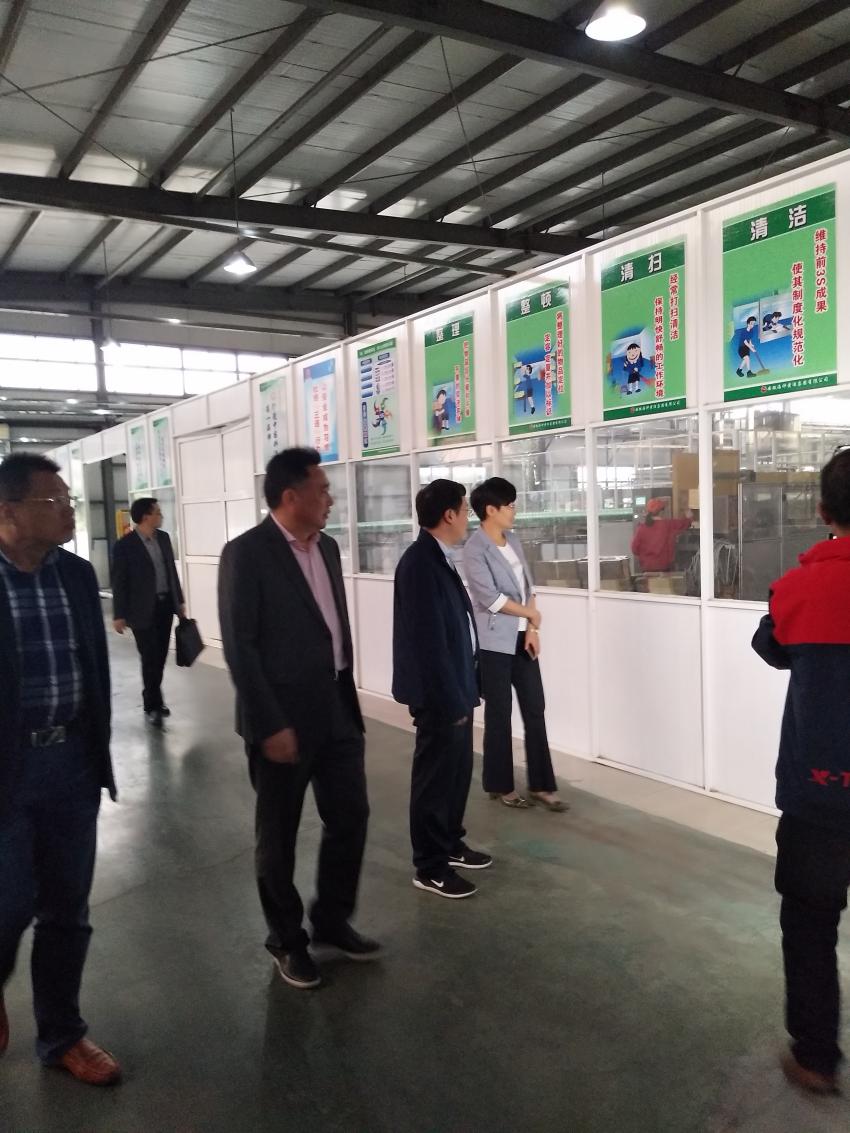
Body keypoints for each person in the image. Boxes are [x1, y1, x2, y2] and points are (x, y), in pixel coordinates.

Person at [218, 448, 376, 991]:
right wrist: (268, 724)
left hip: (336, 707)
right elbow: (240, 646)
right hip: (281, 719)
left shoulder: (326, 547)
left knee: (350, 815)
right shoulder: (247, 553)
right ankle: (286, 939)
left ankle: (332, 918)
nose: (330, 498)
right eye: (322, 489)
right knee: (278, 834)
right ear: (291, 496)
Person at [0, 453, 119, 1086]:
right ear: (9, 513)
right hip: (7, 772)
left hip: (71, 764)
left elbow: (94, 668)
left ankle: (62, 1035)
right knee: (8, 905)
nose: (69, 510)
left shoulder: (75, 574)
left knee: (68, 909)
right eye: (54, 501)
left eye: (67, 499)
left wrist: (96, 754)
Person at [752, 447, 850, 1096]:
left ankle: (816, 1058)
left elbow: (772, 645)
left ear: (821, 510)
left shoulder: (796, 588)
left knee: (811, 925)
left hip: (819, 794)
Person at [392, 478, 491, 900]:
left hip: (458, 687)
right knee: (434, 779)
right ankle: (429, 865)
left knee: (456, 773)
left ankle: (450, 842)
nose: (468, 516)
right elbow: (427, 643)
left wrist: (469, 684)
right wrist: (452, 698)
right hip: (439, 694)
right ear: (448, 515)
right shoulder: (419, 564)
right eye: (465, 509)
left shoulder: (441, 557)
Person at [463, 478, 567, 812]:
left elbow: (528, 587)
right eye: (509, 505)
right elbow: (490, 599)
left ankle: (542, 784)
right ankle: (500, 785)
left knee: (535, 707)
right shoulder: (474, 549)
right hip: (494, 642)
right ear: (490, 510)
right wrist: (531, 614)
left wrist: (532, 628)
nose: (514, 510)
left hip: (523, 638)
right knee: (499, 713)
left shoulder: (515, 541)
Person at [112, 497, 185, 726]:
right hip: (141, 610)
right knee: (149, 657)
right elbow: (119, 582)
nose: (161, 516)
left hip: (164, 606)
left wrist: (179, 602)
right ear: (146, 516)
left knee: (160, 656)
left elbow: (171, 572)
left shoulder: (163, 538)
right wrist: (119, 614)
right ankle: (152, 703)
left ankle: (153, 697)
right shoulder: (125, 546)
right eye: (157, 512)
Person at [630, 498, 692, 573]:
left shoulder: (641, 528)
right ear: (661, 512)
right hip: (664, 569)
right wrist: (687, 510)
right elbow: (687, 522)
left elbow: (634, 549)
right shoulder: (668, 525)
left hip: (647, 568)